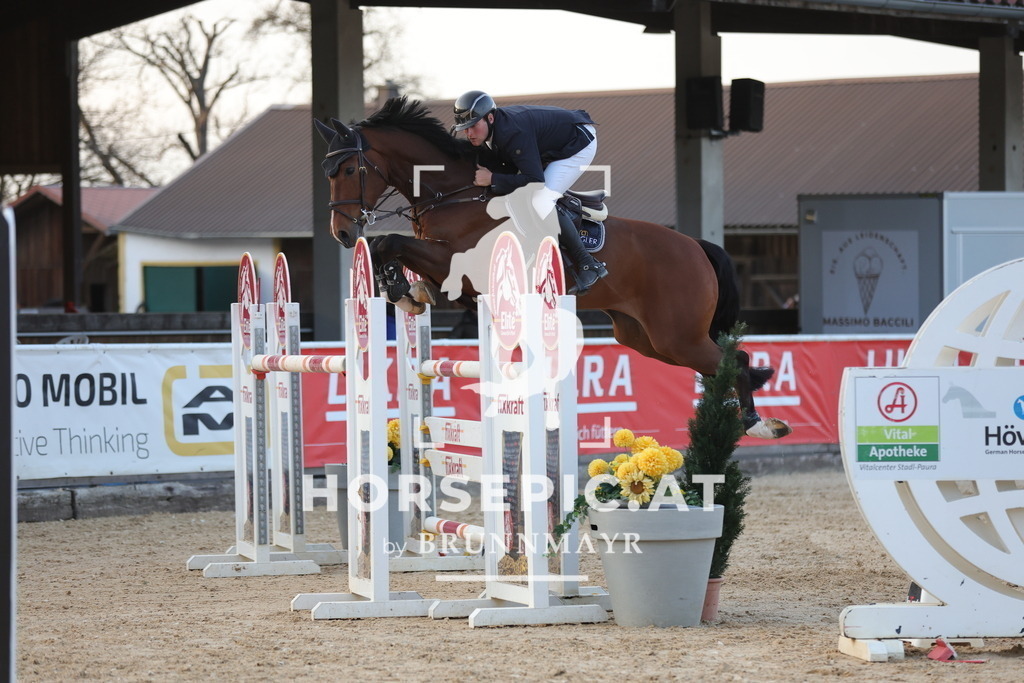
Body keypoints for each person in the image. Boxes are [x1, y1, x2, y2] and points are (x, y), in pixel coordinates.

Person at [452, 90, 609, 294]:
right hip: (554, 141)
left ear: (490, 118)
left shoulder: (512, 133)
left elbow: (534, 181)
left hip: (578, 143)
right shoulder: (494, 132)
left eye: (473, 126)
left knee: (541, 199)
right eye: (464, 129)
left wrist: (493, 178)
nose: (469, 133)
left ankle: (589, 263)